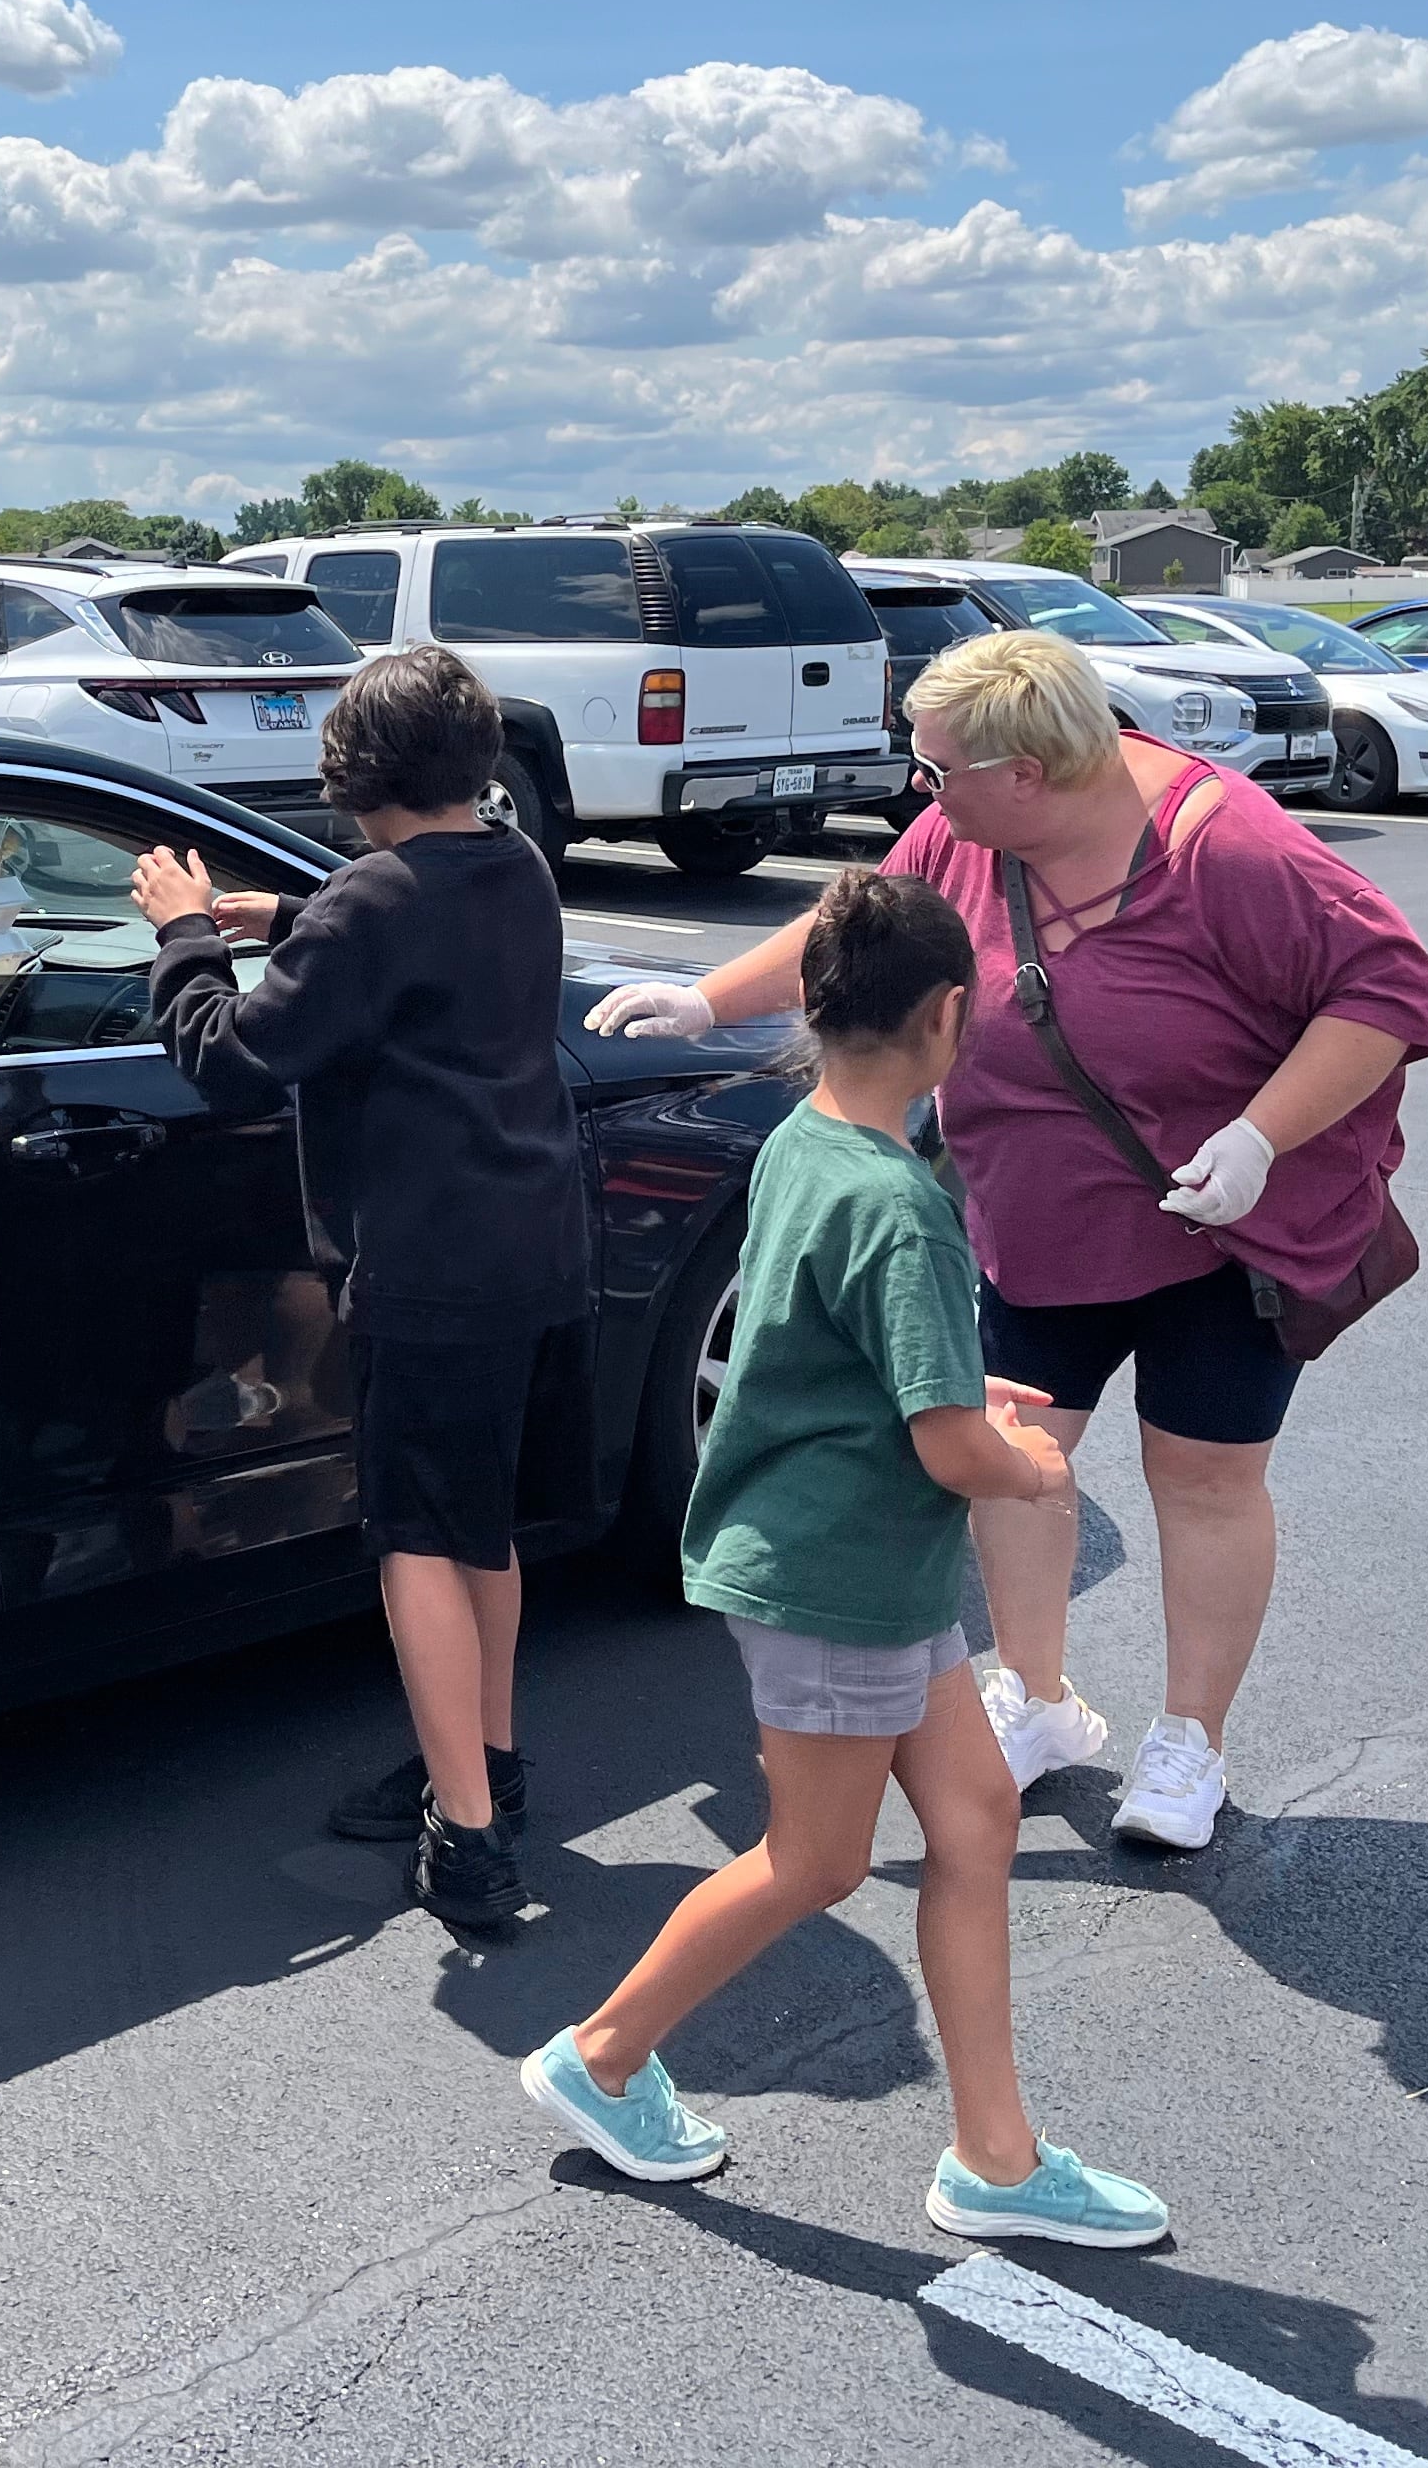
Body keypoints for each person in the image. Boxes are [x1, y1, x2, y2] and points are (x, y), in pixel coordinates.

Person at [588, 629, 1428, 1852]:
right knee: (1013, 1455)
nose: (920, 793)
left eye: (939, 771)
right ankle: (1039, 1701)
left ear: (1029, 773)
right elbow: (859, 934)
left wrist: (1259, 1137)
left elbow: (1387, 995)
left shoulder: (1228, 846)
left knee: (1204, 1478)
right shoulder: (968, 834)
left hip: (1219, 1229)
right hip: (1039, 1222)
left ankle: (1188, 1741)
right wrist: (710, 998)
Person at [523, 869, 1169, 2248]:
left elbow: (837, 1364)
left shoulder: (804, 1140)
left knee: (979, 1821)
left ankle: (995, 2157)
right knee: (814, 1863)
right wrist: (1029, 1458)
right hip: (838, 1577)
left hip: (856, 1566)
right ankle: (606, 2056)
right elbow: (947, 1447)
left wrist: (962, 1410)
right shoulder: (903, 1201)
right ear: (952, 1013)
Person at [133, 645, 588, 1930]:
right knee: (478, 1523)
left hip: (428, 1265)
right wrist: (270, 919)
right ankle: (484, 1765)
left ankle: (474, 1839)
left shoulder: (371, 906)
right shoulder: (516, 866)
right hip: (531, 1243)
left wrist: (178, 929)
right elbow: (399, 930)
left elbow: (229, 1058)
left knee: (418, 1546)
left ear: (346, 775)